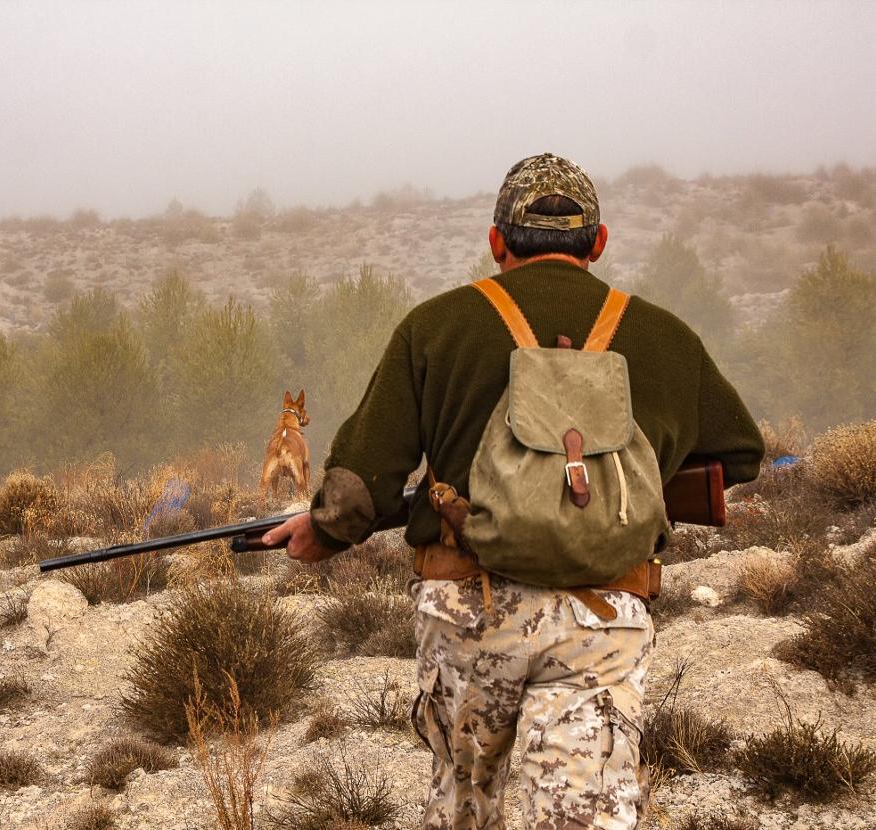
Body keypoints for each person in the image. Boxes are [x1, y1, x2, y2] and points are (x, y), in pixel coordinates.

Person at [263, 153, 764, 829]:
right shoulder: (663, 336)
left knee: (463, 802)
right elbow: (739, 454)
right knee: (586, 817)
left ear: (497, 241)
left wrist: (323, 531)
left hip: (471, 608)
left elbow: (363, 483)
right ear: (599, 242)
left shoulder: (435, 326)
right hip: (605, 613)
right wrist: (623, 486)